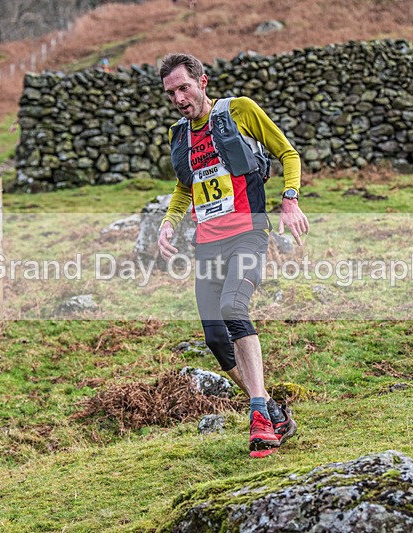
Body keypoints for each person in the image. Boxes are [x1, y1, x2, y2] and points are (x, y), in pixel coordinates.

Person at [157, 53, 309, 458]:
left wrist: (290, 199)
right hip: (208, 244)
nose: (178, 99)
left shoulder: (239, 111)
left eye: (184, 88)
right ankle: (272, 410)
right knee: (215, 338)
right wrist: (169, 222)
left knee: (233, 307)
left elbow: (288, 154)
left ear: (202, 82)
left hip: (248, 234)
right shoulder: (180, 135)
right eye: (171, 93)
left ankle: (258, 417)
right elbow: (185, 187)